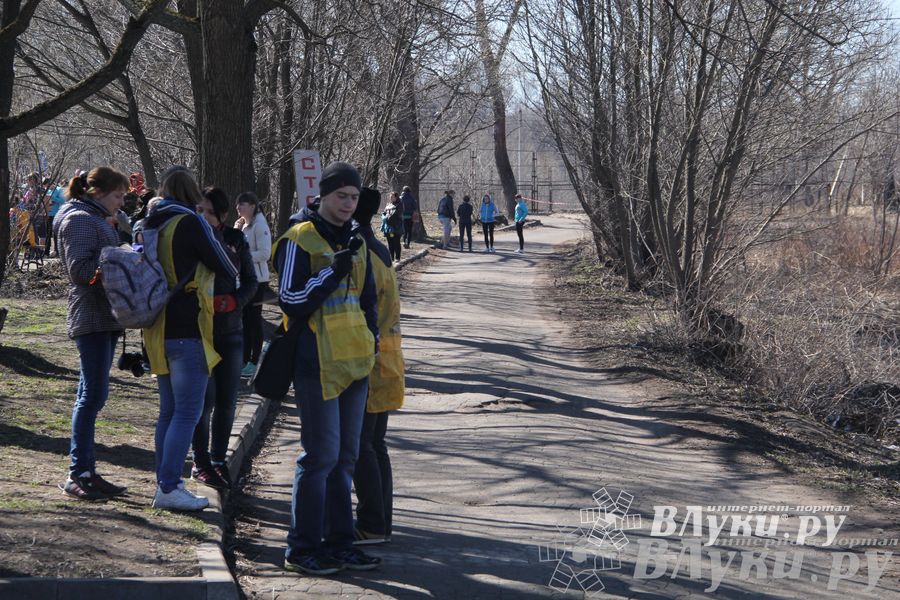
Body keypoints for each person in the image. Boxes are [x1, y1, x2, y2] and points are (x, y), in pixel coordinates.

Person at [273, 161, 380, 576]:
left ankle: (339, 544)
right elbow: (290, 300)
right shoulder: (299, 238)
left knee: (346, 460)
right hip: (316, 363)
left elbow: (367, 299)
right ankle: (301, 549)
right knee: (319, 458)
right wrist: (333, 270)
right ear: (322, 196)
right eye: (342, 197)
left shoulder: (357, 238)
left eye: (354, 198)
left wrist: (370, 341)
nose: (349, 205)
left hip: (355, 363)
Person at [142, 168, 239, 511]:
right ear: (192, 193)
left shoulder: (150, 221)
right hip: (188, 328)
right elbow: (227, 265)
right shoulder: (189, 221)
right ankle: (169, 487)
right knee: (187, 412)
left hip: (156, 328)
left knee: (168, 411)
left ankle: (164, 484)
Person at [54, 167, 130, 500]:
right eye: (118, 196)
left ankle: (88, 469)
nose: (121, 202)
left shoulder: (95, 216)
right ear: (97, 192)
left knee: (92, 394)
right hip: (92, 316)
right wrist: (117, 260)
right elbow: (80, 271)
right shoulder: (81, 220)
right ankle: (78, 474)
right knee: (92, 396)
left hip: (105, 316)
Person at [191, 187, 258, 490]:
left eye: (208, 212)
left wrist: (235, 301)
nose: (203, 217)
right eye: (199, 210)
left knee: (228, 401)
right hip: (199, 332)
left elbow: (251, 282)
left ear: (223, 214)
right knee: (204, 402)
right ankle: (200, 460)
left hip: (231, 330)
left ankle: (219, 459)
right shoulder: (189, 237)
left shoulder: (235, 239)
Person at [350, 188, 405, 546]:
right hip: (388, 354)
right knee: (375, 444)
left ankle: (371, 524)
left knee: (362, 446)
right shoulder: (380, 248)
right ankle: (381, 522)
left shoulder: (359, 250)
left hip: (369, 358)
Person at [235, 192, 272, 377]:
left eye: (242, 204)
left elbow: (265, 253)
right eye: (237, 204)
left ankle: (254, 360)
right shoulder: (244, 225)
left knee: (253, 321)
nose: (238, 207)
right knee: (245, 321)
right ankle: (244, 359)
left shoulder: (260, 224)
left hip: (258, 280)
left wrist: (245, 258)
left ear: (252, 205)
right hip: (245, 279)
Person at [45, 177, 66, 256]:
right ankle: (46, 251)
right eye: (45, 185)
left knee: (56, 234)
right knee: (48, 233)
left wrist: (53, 197)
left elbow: (62, 201)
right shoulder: (47, 190)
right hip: (48, 214)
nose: (46, 186)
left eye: (47, 184)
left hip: (56, 214)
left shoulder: (59, 189)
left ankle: (57, 251)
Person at [380, 191, 404, 262]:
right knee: (390, 243)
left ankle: (397, 258)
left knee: (396, 242)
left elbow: (396, 215)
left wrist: (387, 219)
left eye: (392, 197)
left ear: (396, 197)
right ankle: (391, 258)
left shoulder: (400, 205)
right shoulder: (388, 205)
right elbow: (384, 213)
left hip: (396, 227)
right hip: (388, 228)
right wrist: (384, 217)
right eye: (390, 197)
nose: (390, 198)